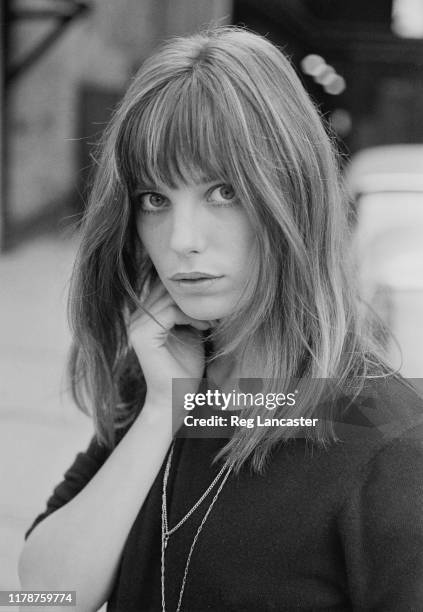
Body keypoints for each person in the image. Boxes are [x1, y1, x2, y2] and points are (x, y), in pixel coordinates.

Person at [19, 26, 423, 612]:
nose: (182, 240)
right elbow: (45, 595)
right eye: (155, 199)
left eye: (223, 191)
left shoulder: (386, 443)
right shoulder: (164, 379)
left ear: (295, 194)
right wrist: (164, 408)